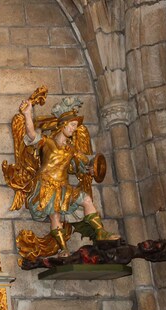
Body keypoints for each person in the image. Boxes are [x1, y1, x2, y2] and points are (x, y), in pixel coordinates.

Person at [9, 95, 114, 256]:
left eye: (75, 126)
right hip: (46, 185)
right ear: (63, 125)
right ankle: (64, 248)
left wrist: (90, 169)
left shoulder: (71, 150)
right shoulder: (48, 143)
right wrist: (28, 113)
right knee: (55, 216)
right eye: (72, 125)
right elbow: (30, 134)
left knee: (86, 199)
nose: (74, 129)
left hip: (64, 186)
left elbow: (82, 167)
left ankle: (100, 232)